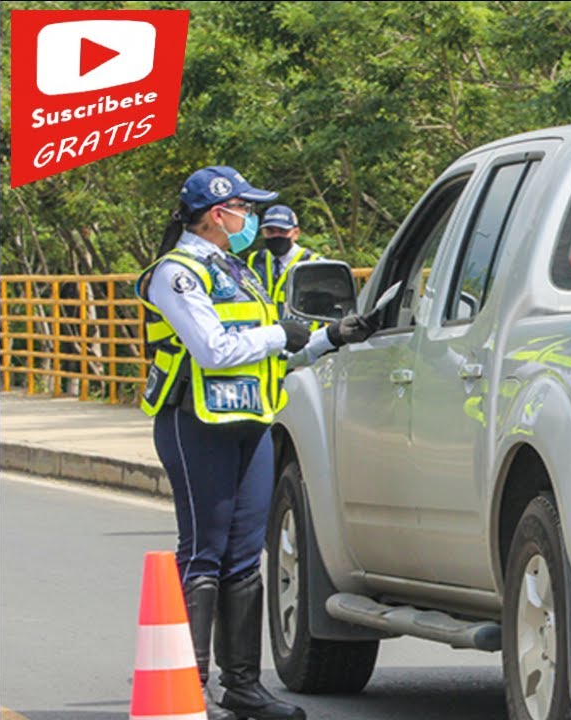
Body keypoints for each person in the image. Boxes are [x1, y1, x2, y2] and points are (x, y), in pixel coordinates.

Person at [134, 166, 376, 720]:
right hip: (196, 423)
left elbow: (273, 353)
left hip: (251, 421)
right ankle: (187, 686)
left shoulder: (235, 269)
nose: (252, 220)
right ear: (219, 214)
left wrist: (325, 339)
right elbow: (214, 350)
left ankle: (241, 684)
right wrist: (278, 334)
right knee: (204, 552)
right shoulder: (177, 274)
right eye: (245, 209)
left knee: (245, 556)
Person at [246, 204, 323, 321]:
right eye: (270, 231)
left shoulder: (314, 264)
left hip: (305, 335)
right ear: (263, 232)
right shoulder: (255, 260)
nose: (276, 236)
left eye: (283, 231)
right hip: (265, 335)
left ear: (296, 233)